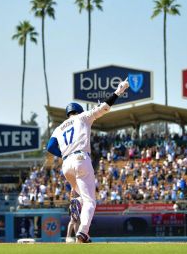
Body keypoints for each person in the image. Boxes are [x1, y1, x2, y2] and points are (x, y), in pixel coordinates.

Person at [46, 78, 129, 243]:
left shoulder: (59, 127)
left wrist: (63, 153)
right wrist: (118, 92)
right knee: (91, 200)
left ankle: (76, 201)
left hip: (66, 164)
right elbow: (104, 108)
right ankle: (82, 233)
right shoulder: (83, 117)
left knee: (82, 196)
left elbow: (50, 147)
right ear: (79, 110)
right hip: (80, 158)